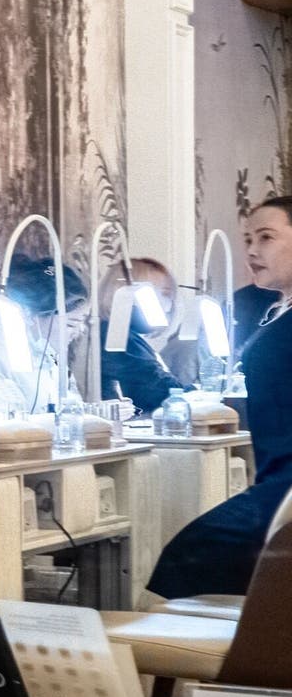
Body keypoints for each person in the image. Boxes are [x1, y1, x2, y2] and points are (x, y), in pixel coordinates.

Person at [147, 196, 292, 598]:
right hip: (274, 476)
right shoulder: (275, 311)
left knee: (189, 558)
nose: (252, 250)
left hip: (285, 484)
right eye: (248, 239)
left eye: (266, 237)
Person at [105, 254, 184, 416]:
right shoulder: (118, 340)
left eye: (167, 295)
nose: (166, 304)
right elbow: (160, 389)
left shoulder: (130, 338)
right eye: (160, 294)